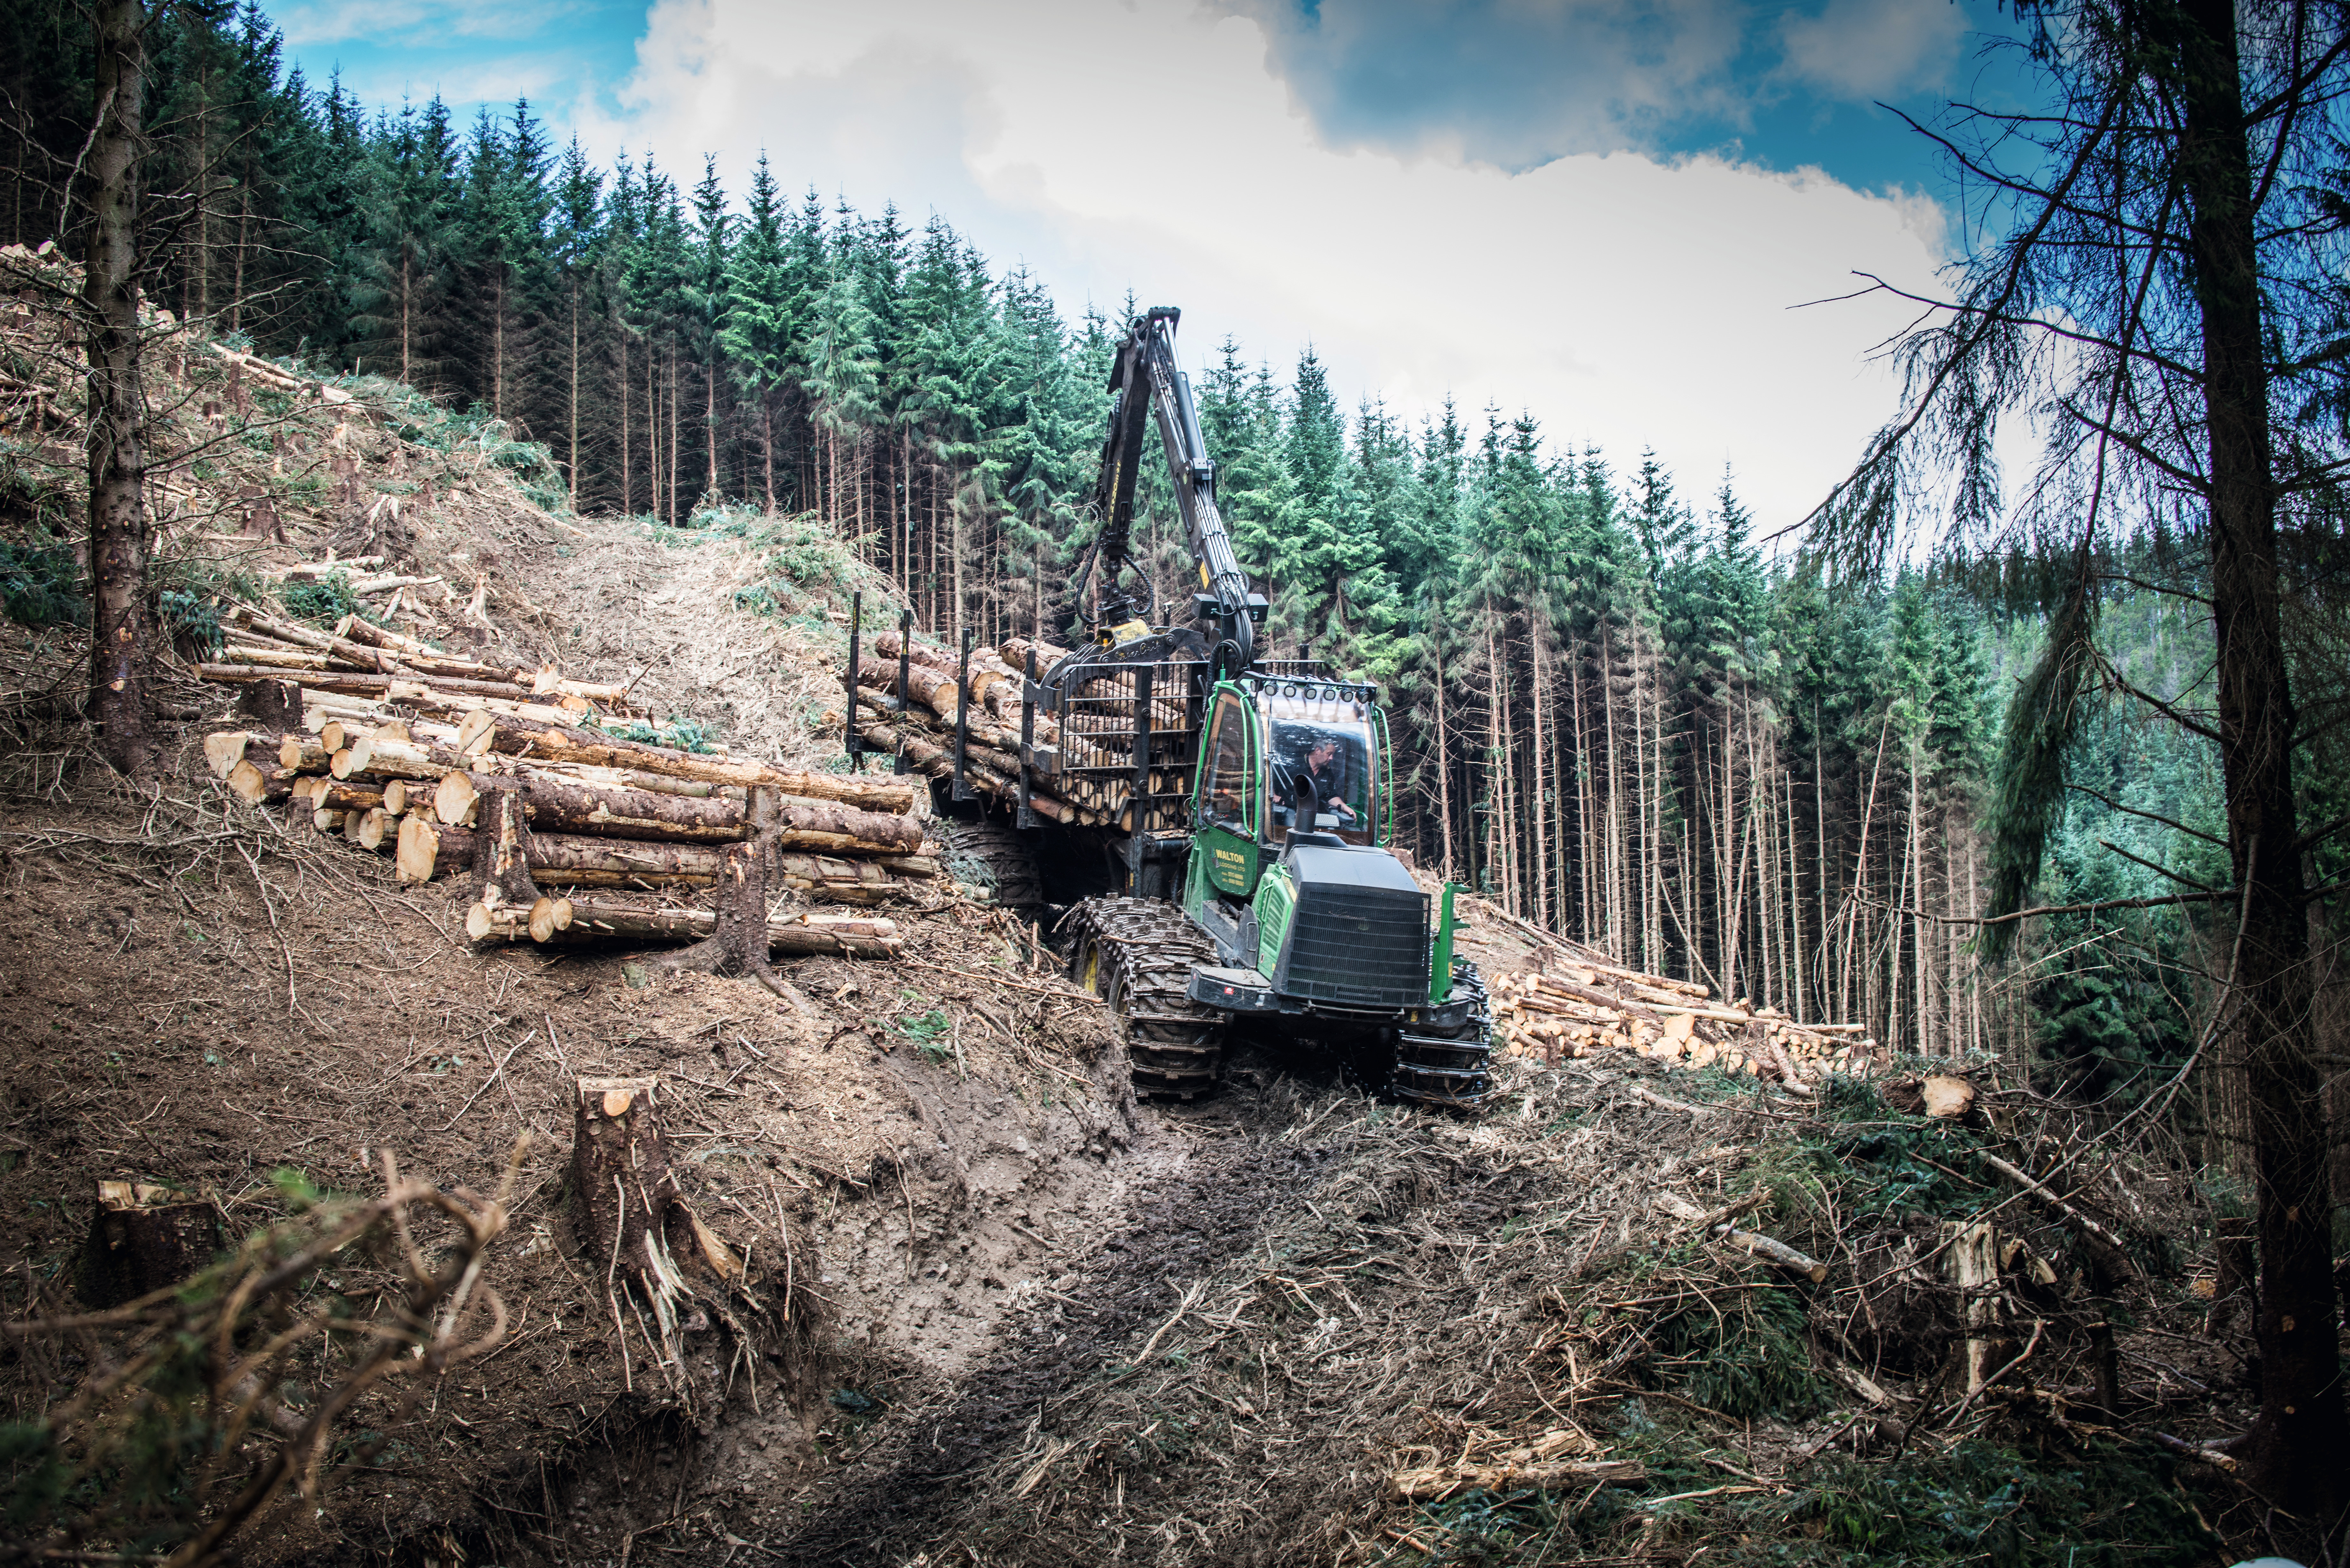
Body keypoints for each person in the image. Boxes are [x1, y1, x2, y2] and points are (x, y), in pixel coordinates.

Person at [1289, 737, 1355, 826]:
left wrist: (1345, 808)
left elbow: (1331, 796)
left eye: (1333, 755)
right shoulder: (1295, 764)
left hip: (1316, 816)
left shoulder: (1328, 772)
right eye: (1329, 754)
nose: (1332, 758)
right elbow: (1273, 779)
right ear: (1318, 751)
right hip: (1291, 813)